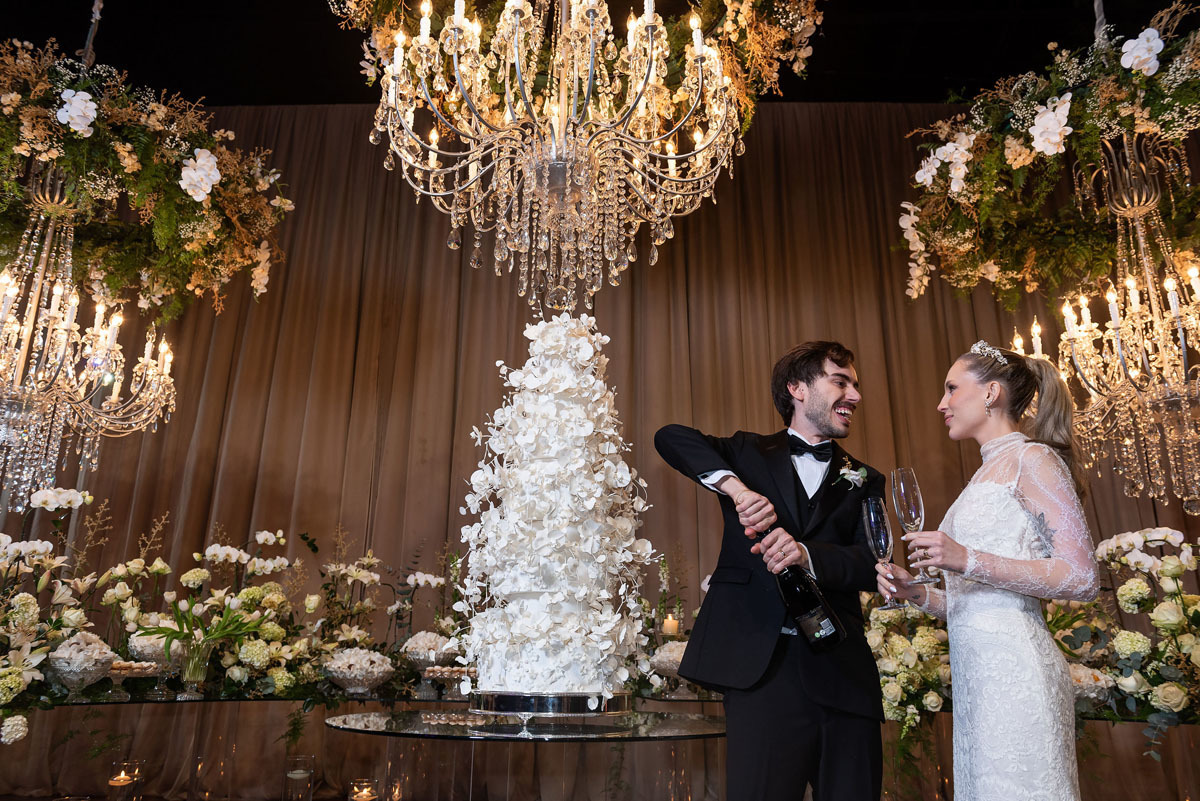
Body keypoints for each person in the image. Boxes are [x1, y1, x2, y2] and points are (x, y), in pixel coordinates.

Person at [655, 341, 885, 801]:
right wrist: (736, 490)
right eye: (841, 382)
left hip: (843, 671)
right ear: (796, 388)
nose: (855, 396)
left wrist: (806, 553)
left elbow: (873, 563)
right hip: (762, 672)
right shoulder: (746, 452)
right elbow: (670, 436)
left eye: (856, 385)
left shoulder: (865, 478)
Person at [877, 340, 1099, 801]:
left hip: (1018, 675)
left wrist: (966, 558)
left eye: (952, 388)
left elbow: (1081, 577)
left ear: (992, 392)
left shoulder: (1032, 460)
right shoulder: (984, 473)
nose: (942, 403)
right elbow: (977, 600)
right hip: (978, 683)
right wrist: (917, 594)